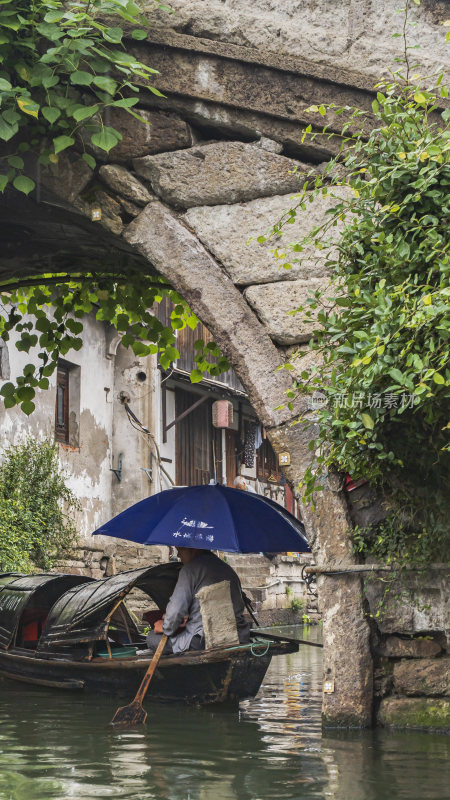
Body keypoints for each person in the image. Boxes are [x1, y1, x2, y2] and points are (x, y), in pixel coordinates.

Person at [145, 547, 251, 655]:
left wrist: (164, 627)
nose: (178, 555)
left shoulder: (189, 570)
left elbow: (175, 612)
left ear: (192, 549)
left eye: (180, 551)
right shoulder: (229, 570)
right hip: (238, 637)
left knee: (151, 638)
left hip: (203, 642)